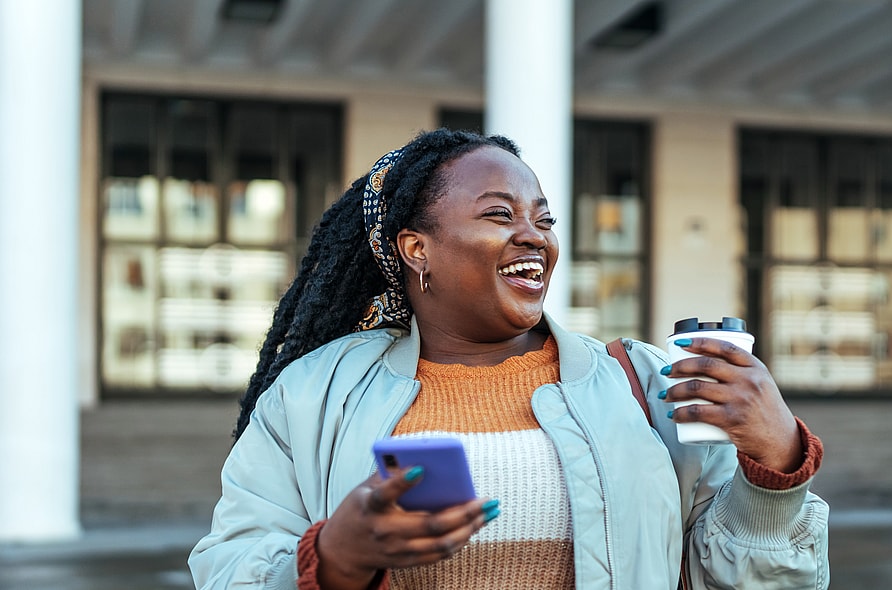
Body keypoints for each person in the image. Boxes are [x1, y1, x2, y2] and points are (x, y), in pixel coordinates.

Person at [189, 128, 829, 590]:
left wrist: (774, 466)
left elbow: (753, 580)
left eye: (544, 220)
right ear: (417, 248)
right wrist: (333, 560)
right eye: (499, 214)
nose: (534, 236)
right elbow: (228, 563)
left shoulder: (647, 385)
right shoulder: (314, 391)